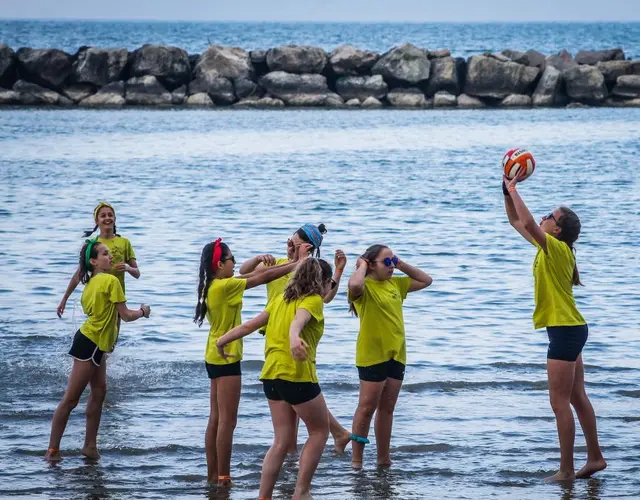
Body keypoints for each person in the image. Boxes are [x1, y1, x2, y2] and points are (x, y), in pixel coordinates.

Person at [503, 171, 606, 481]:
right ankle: (595, 458)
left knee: (559, 402)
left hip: (565, 332)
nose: (544, 216)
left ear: (557, 229)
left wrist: (515, 189)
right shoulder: (548, 248)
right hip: (571, 329)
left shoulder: (556, 248)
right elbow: (515, 221)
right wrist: (506, 190)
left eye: (550, 215)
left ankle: (566, 470)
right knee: (576, 397)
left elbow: (530, 223)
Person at [216, 258, 348, 500]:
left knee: (281, 440)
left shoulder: (280, 299)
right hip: (296, 375)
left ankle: (264, 496)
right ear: (321, 282)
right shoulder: (313, 300)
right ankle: (301, 491)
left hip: (271, 376)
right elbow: (299, 320)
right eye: (329, 282)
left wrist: (222, 340)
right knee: (320, 431)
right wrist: (294, 337)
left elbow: (249, 326)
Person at [193, 238, 311, 486]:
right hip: (227, 358)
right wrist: (297, 264)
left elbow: (262, 272)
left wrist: (276, 261)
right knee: (227, 420)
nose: (234, 262)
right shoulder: (225, 286)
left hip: (213, 355)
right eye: (231, 259)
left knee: (215, 418)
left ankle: (213, 475)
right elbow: (262, 279)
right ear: (219, 264)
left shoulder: (214, 284)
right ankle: (223, 477)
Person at [239, 223, 347, 454]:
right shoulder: (277, 264)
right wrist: (259, 256)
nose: (289, 248)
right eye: (289, 242)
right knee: (292, 394)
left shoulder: (309, 270)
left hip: (298, 334)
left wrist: (337, 271)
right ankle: (318, 440)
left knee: (296, 394)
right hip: (275, 332)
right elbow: (244, 272)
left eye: (295, 245)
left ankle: (295, 449)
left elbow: (325, 297)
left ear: (307, 249)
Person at [45, 239, 151, 462]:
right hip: (90, 345)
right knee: (70, 400)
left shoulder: (91, 283)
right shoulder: (111, 281)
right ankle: (52, 451)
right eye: (104, 254)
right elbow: (126, 315)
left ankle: (90, 446)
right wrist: (143, 311)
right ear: (93, 261)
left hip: (96, 345)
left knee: (100, 391)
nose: (110, 256)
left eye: (109, 253)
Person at [347, 244, 432, 468]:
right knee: (366, 409)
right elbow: (354, 283)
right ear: (371, 265)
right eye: (387, 262)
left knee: (388, 408)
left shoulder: (396, 283)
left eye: (392, 261)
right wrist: (362, 265)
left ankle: (383, 459)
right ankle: (357, 461)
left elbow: (426, 280)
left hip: (397, 354)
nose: (391, 266)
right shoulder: (364, 287)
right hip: (372, 355)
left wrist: (400, 263)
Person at [57, 202, 139, 328]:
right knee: (97, 334)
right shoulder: (93, 244)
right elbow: (80, 273)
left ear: (115, 219)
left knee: (111, 342)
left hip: (117, 298)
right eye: (103, 215)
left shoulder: (124, 242)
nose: (107, 218)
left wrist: (128, 268)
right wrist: (64, 300)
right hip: (98, 297)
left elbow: (137, 274)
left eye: (110, 215)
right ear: (97, 220)